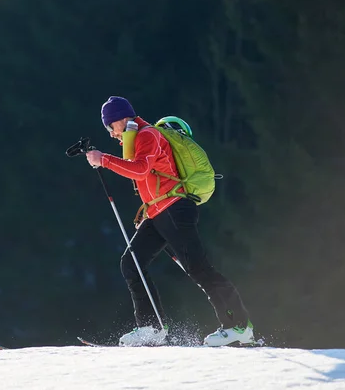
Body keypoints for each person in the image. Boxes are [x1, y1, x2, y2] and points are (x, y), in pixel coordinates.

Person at [85, 95, 254, 347]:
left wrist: (104, 160)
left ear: (120, 119)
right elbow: (148, 177)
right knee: (131, 263)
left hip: (175, 210)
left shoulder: (147, 134)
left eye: (110, 126)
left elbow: (141, 169)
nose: (110, 133)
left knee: (198, 268)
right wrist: (147, 207)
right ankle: (152, 328)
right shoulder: (136, 138)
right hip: (159, 212)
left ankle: (239, 327)